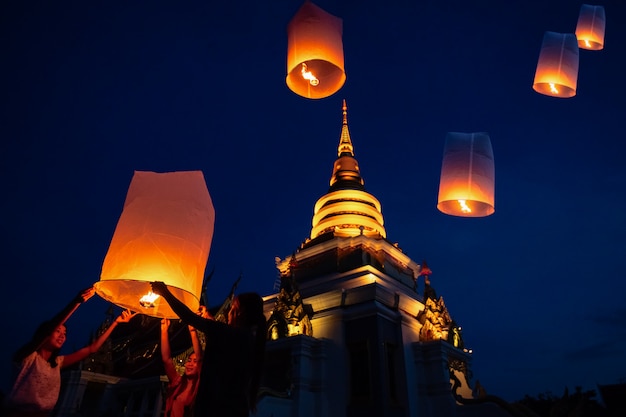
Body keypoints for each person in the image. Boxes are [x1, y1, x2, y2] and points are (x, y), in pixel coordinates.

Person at [2, 287, 136, 417]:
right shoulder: (27, 358)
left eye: (64, 333)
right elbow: (49, 328)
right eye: (58, 331)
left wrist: (116, 323)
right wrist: (76, 302)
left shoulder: (57, 363)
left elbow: (92, 349)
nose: (62, 335)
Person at [151, 281, 267, 417]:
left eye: (232, 308)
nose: (228, 312)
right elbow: (219, 331)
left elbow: (189, 317)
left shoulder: (231, 334)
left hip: (216, 408)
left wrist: (165, 292)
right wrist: (208, 316)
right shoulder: (248, 340)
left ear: (239, 312)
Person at [160, 316, 203, 417]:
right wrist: (164, 331)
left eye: (194, 361)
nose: (190, 364)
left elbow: (200, 357)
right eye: (189, 360)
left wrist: (192, 330)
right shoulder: (178, 382)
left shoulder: (200, 386)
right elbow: (166, 359)